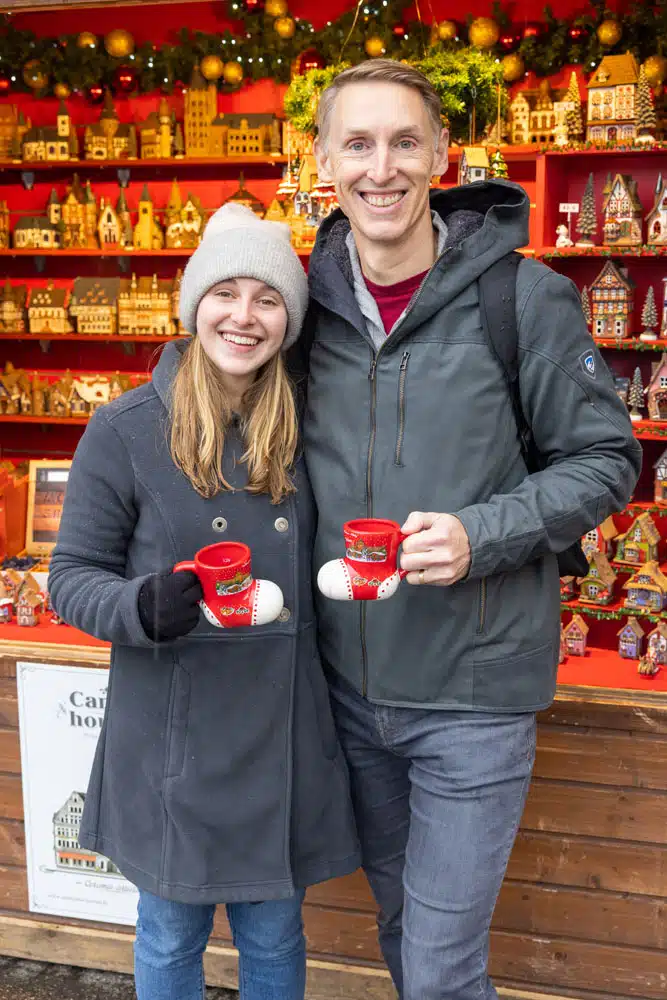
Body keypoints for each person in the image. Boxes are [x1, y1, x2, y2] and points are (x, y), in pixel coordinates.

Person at [296, 60, 642, 1000]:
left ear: (442, 155)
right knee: (403, 931)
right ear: (323, 159)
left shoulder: (520, 298)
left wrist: (478, 533)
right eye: (357, 144)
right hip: (345, 691)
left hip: (472, 697)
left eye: (404, 141)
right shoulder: (302, 309)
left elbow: (609, 459)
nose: (382, 168)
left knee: (442, 967)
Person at [48, 203, 360, 1000]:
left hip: (282, 727)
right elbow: (73, 576)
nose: (244, 317)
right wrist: (141, 607)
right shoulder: (124, 428)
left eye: (267, 298)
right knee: (168, 933)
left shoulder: (308, 421)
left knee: (273, 933)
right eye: (226, 293)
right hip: (171, 734)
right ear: (194, 306)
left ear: (288, 319)